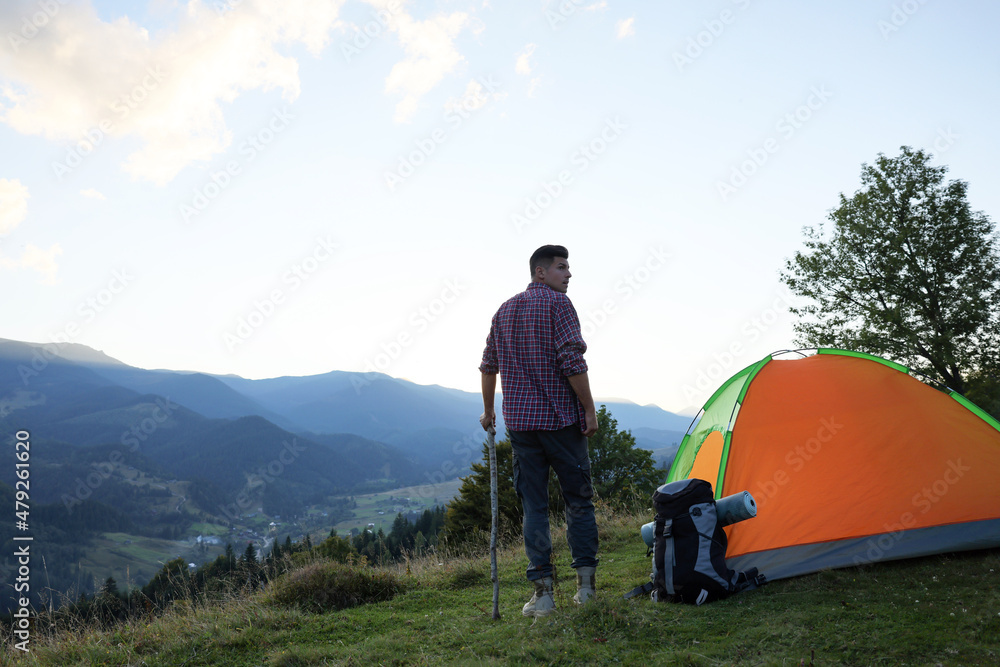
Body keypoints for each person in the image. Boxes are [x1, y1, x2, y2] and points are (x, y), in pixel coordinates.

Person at [479, 244, 599, 618]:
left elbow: (487, 365)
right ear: (540, 272)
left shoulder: (504, 310)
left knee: (534, 507)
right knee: (577, 501)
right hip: (561, 422)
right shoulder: (559, 305)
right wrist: (589, 408)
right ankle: (585, 589)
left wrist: (487, 412)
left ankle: (543, 594)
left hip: (521, 427)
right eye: (562, 267)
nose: (569, 274)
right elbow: (571, 360)